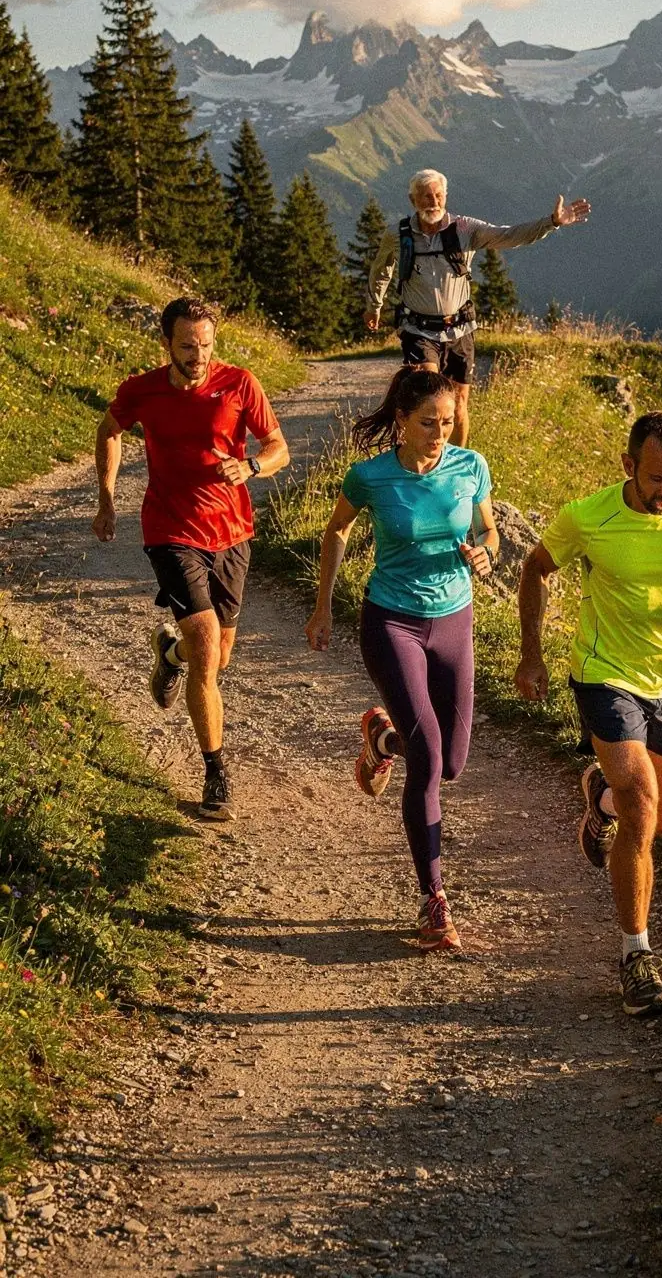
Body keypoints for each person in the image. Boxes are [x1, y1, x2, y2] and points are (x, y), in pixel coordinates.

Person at [514, 411, 662, 1017]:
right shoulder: (588, 515)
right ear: (628, 467)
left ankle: (602, 797)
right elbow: (534, 569)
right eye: (655, 479)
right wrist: (530, 656)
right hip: (605, 672)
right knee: (643, 803)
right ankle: (635, 957)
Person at [305, 368, 498, 950]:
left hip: (455, 621)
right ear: (401, 421)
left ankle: (380, 739)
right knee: (430, 758)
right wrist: (323, 608)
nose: (440, 433)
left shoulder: (471, 467)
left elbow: (489, 531)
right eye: (427, 423)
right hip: (391, 620)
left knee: (452, 764)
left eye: (446, 422)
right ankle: (433, 899)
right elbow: (336, 531)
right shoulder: (370, 476)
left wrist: (485, 555)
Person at [92, 296, 289, 821]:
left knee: (218, 656)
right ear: (167, 344)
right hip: (170, 530)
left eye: (205, 345)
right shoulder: (143, 390)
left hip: (232, 533)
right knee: (207, 650)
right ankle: (216, 771)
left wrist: (252, 466)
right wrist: (108, 498)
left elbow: (278, 447)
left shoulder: (240, 382)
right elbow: (110, 429)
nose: (198, 356)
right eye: (187, 346)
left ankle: (169, 656)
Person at [363, 168, 591, 447]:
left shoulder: (464, 228)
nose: (432, 202)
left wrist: (551, 222)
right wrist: (374, 305)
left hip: (460, 329)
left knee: (458, 405)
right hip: (418, 330)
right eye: (425, 197)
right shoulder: (397, 234)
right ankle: (420, 459)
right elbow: (381, 269)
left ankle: (457, 465)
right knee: (427, 399)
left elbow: (507, 235)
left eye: (437, 195)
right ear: (413, 200)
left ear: (445, 196)